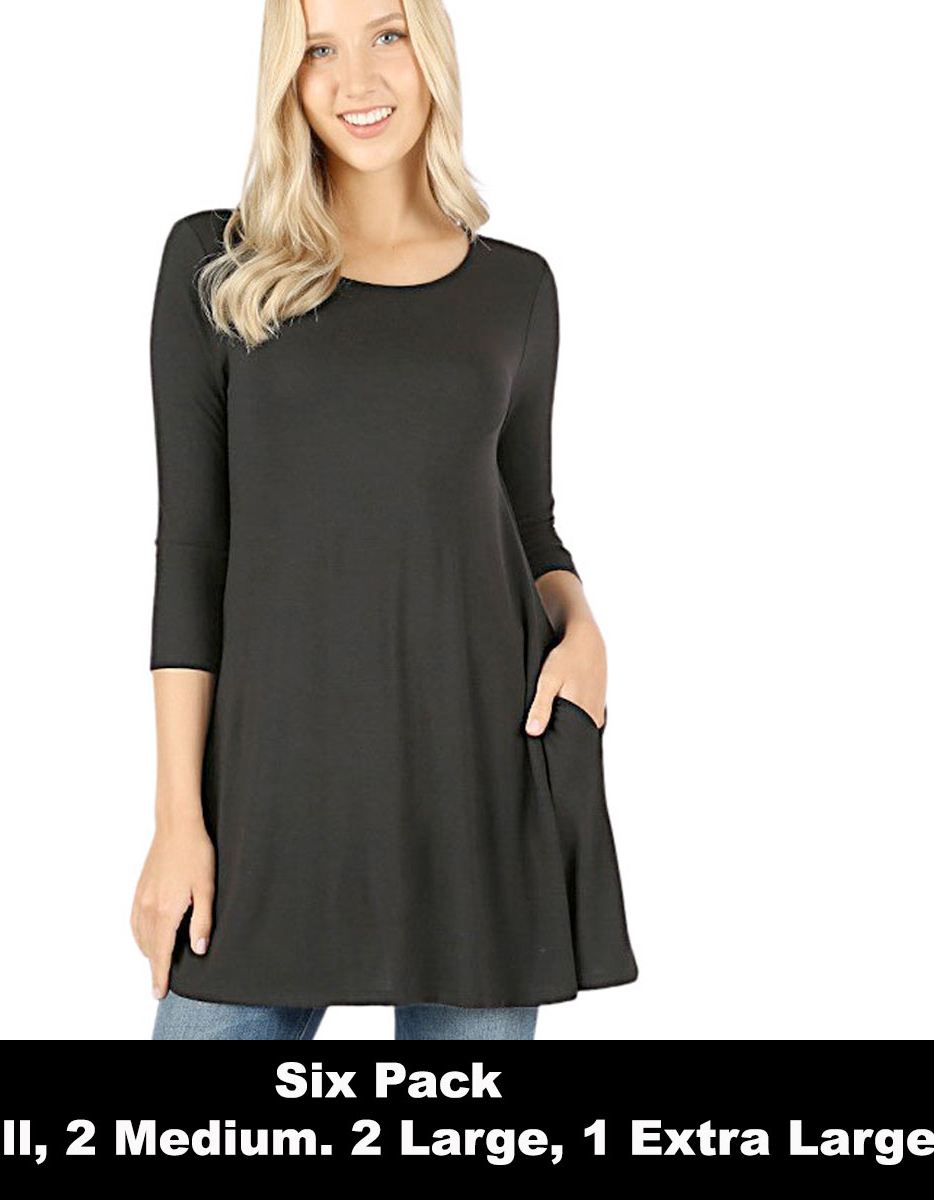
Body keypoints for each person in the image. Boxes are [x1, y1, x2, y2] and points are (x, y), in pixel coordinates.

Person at [131, 0, 638, 1042]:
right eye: (318, 49)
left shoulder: (517, 288)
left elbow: (525, 519)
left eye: (386, 34)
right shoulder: (214, 264)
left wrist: (582, 626)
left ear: (430, 52)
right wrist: (178, 818)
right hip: (274, 792)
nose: (356, 80)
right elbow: (191, 553)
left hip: (479, 779)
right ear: (286, 77)